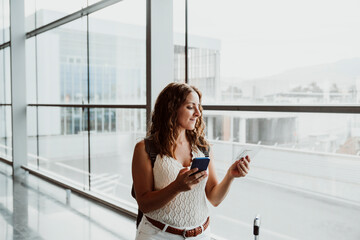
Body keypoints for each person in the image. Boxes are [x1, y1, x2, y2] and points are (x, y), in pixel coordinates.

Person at [132, 82, 251, 240]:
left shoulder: (202, 148)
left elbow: (214, 199)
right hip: (158, 235)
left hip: (201, 235)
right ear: (171, 108)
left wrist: (230, 175)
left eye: (198, 107)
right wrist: (176, 187)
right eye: (190, 107)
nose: (197, 113)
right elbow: (144, 205)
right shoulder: (145, 148)